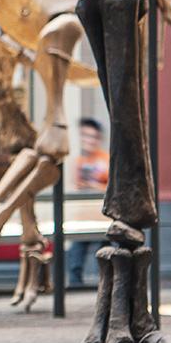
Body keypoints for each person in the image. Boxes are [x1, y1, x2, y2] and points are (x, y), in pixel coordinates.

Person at [69, 117, 109, 287]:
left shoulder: (106, 159)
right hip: (83, 215)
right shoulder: (78, 161)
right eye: (85, 136)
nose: (88, 140)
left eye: (92, 136)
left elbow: (111, 187)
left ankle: (107, 282)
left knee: (106, 249)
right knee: (78, 248)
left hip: (104, 215)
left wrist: (93, 185)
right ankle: (75, 282)